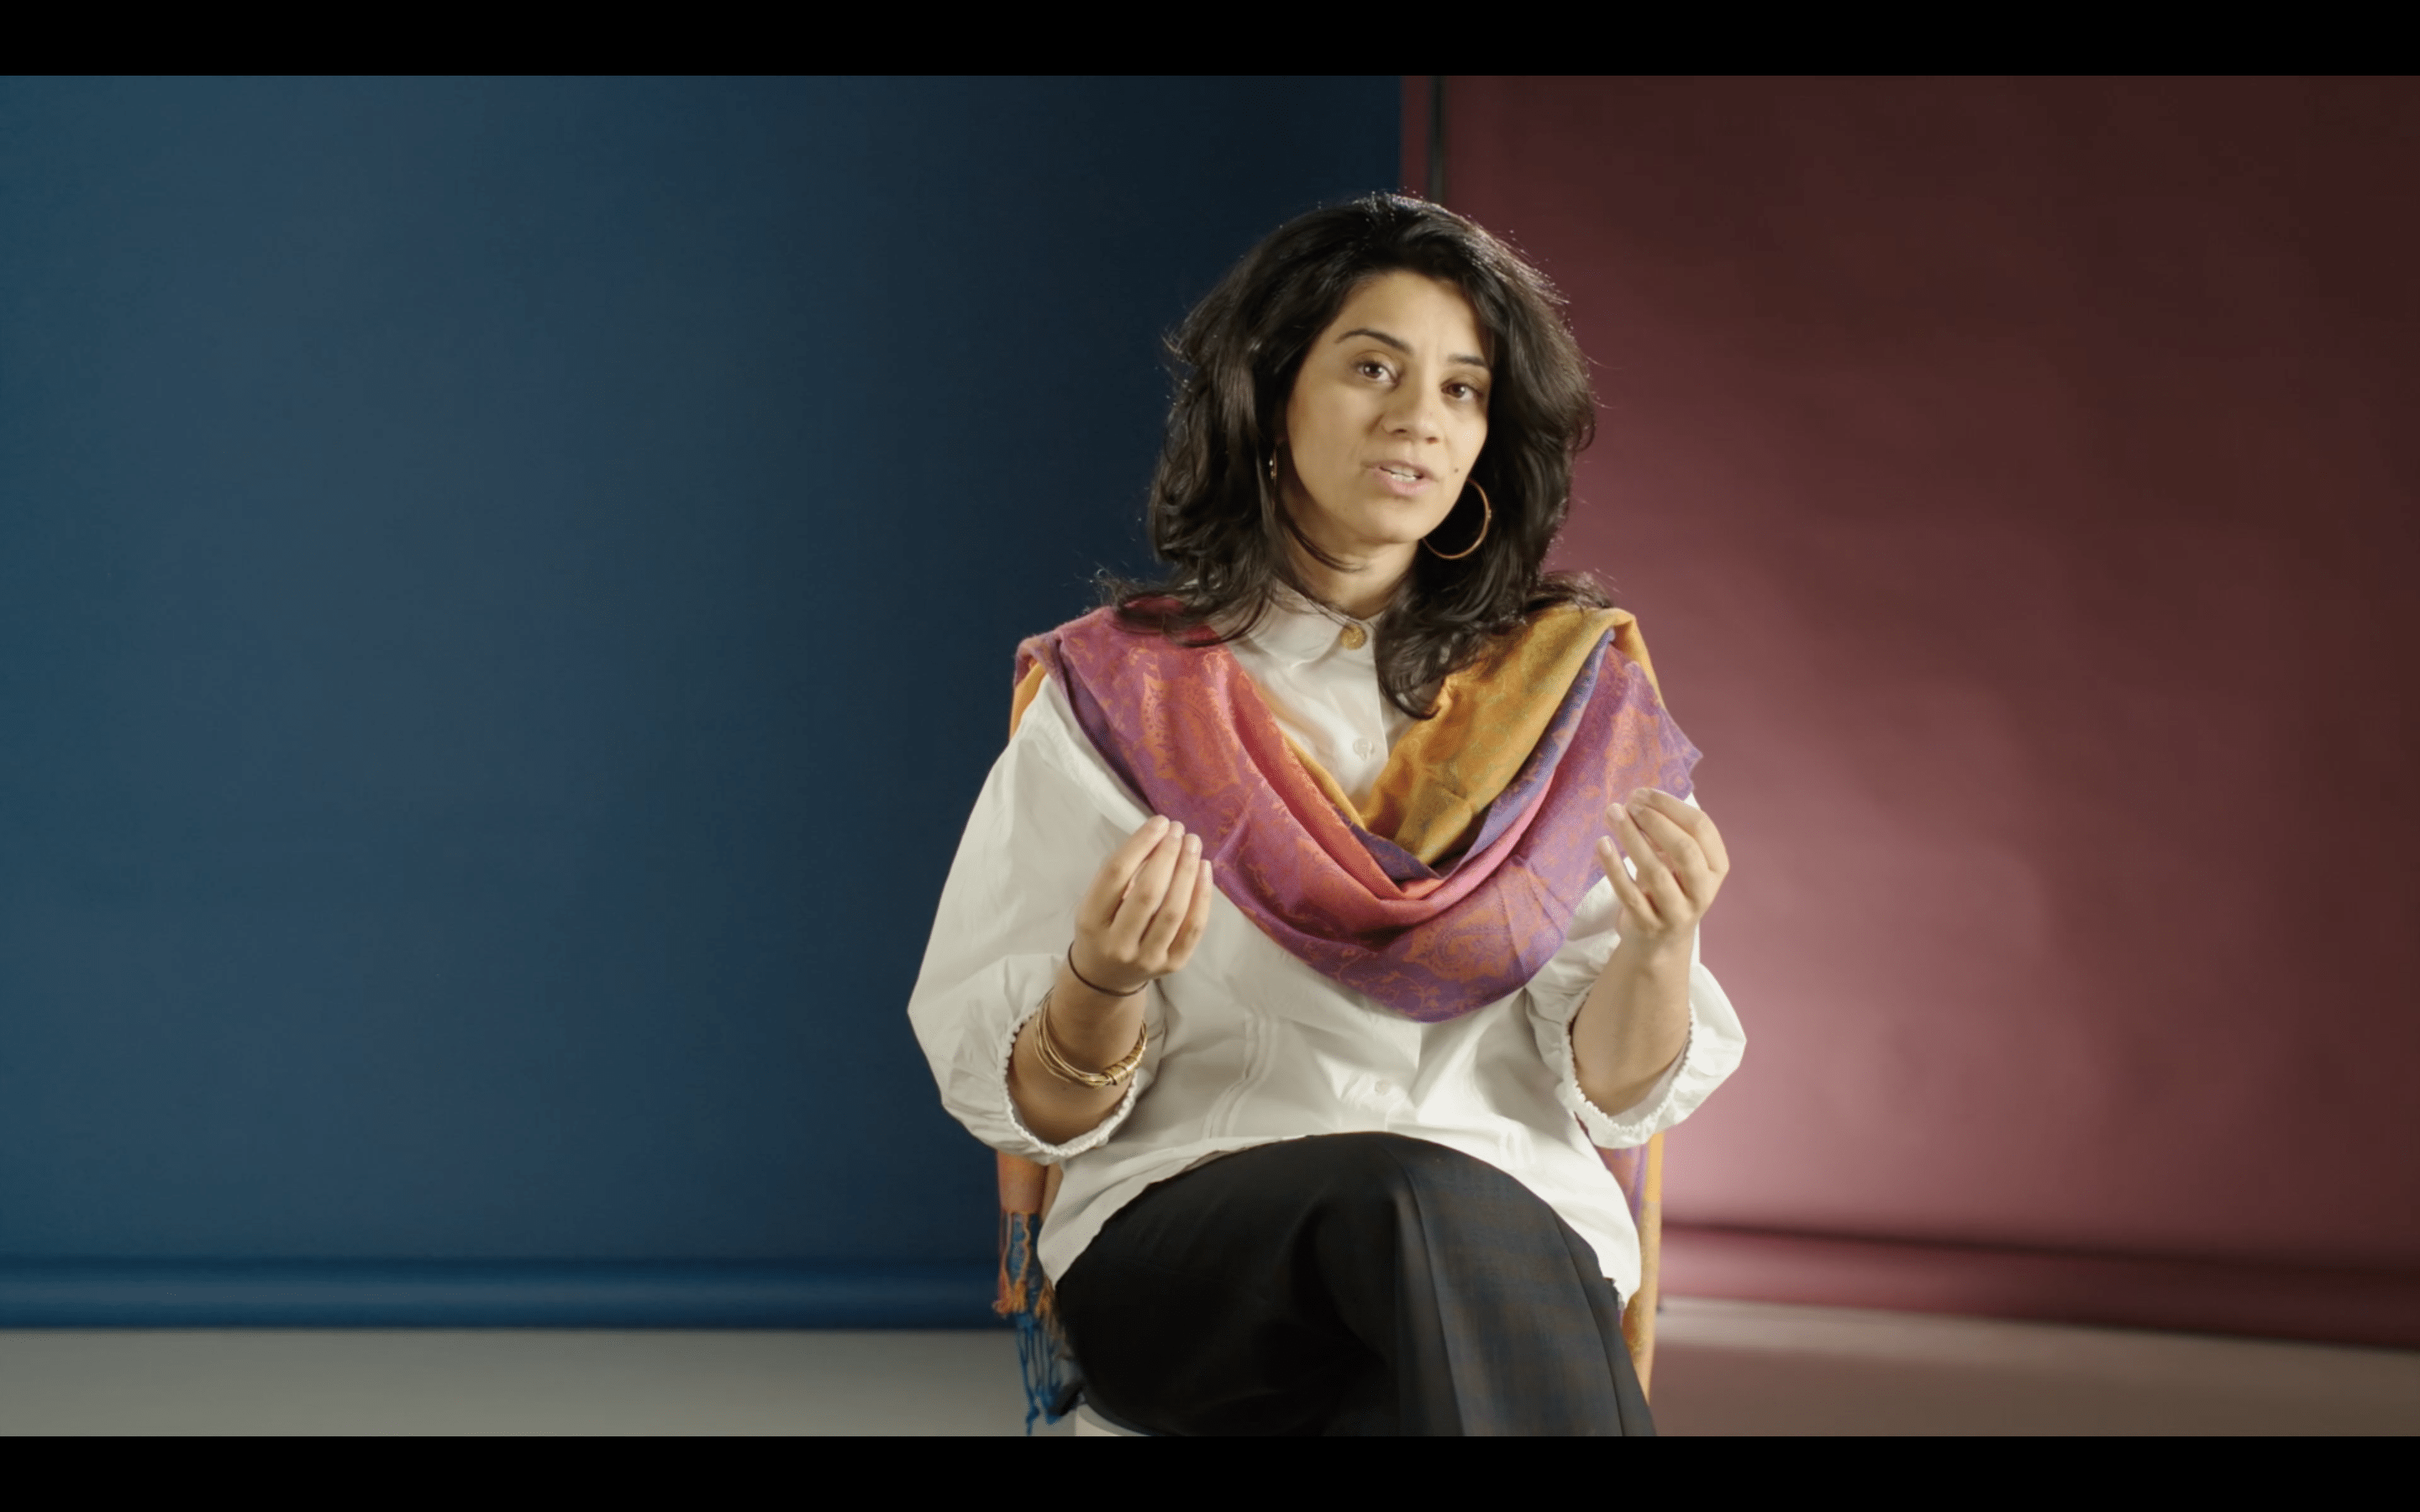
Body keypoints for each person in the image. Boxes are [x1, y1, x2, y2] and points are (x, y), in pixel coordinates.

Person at [908, 193, 1744, 1436]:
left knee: (1435, 1279)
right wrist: (1101, 977)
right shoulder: (1124, 697)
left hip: (1506, 1248)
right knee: (1411, 1197)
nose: (1422, 418)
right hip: (1193, 1254)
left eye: (1464, 390)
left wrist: (1662, 950)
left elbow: (1611, 1094)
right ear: (1269, 394)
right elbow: (1033, 1105)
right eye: (1373, 368)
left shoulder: (1575, 704)